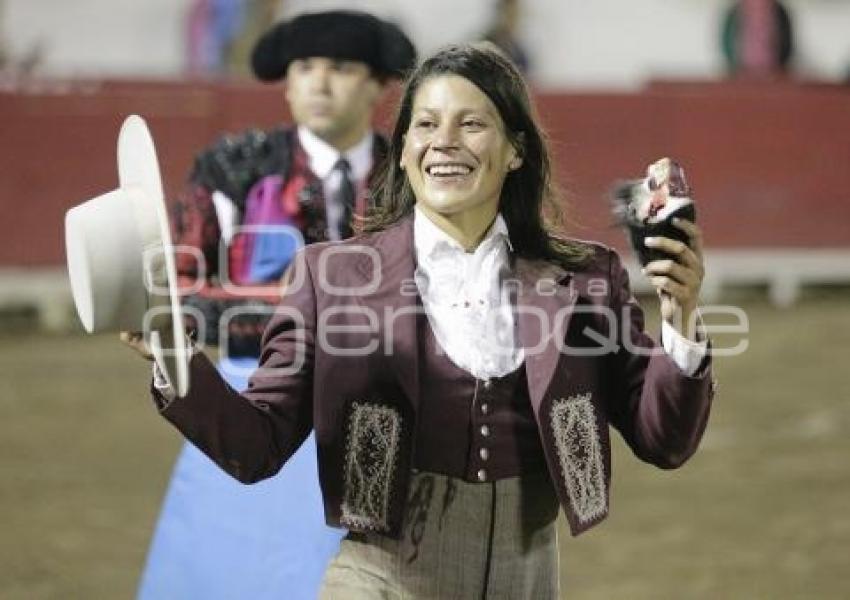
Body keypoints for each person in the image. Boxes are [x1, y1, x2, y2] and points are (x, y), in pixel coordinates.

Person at [127, 43, 714, 598]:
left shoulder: (587, 279)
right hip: (379, 582)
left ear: (516, 150)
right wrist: (173, 358)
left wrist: (680, 318)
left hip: (527, 582)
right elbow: (259, 445)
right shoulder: (330, 277)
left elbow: (662, 440)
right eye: (426, 125)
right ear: (404, 149)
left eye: (472, 123)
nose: (445, 143)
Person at [137, 10, 416, 600]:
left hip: (390, 411)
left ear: (376, 84)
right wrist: (316, 319)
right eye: (305, 68)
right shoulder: (232, 167)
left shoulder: (416, 173)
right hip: (252, 400)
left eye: (340, 68)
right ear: (286, 84)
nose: (319, 83)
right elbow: (177, 290)